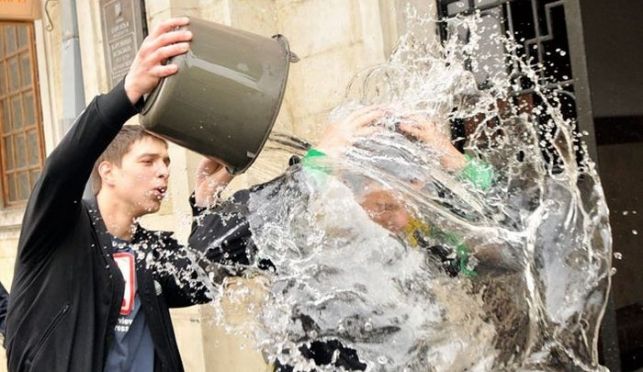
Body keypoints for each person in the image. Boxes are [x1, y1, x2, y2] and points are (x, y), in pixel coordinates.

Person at [188, 106, 499, 370]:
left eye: (408, 205)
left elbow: (515, 242)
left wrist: (458, 164)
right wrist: (316, 166)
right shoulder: (299, 230)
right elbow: (206, 255)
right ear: (345, 188)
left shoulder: (416, 243)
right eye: (384, 206)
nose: (402, 220)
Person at [5, 17, 232, 372]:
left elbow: (203, 281)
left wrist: (204, 204)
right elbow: (62, 168)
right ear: (107, 171)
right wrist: (127, 93)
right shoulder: (59, 230)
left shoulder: (151, 248)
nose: (163, 171)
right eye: (148, 161)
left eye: (166, 162)